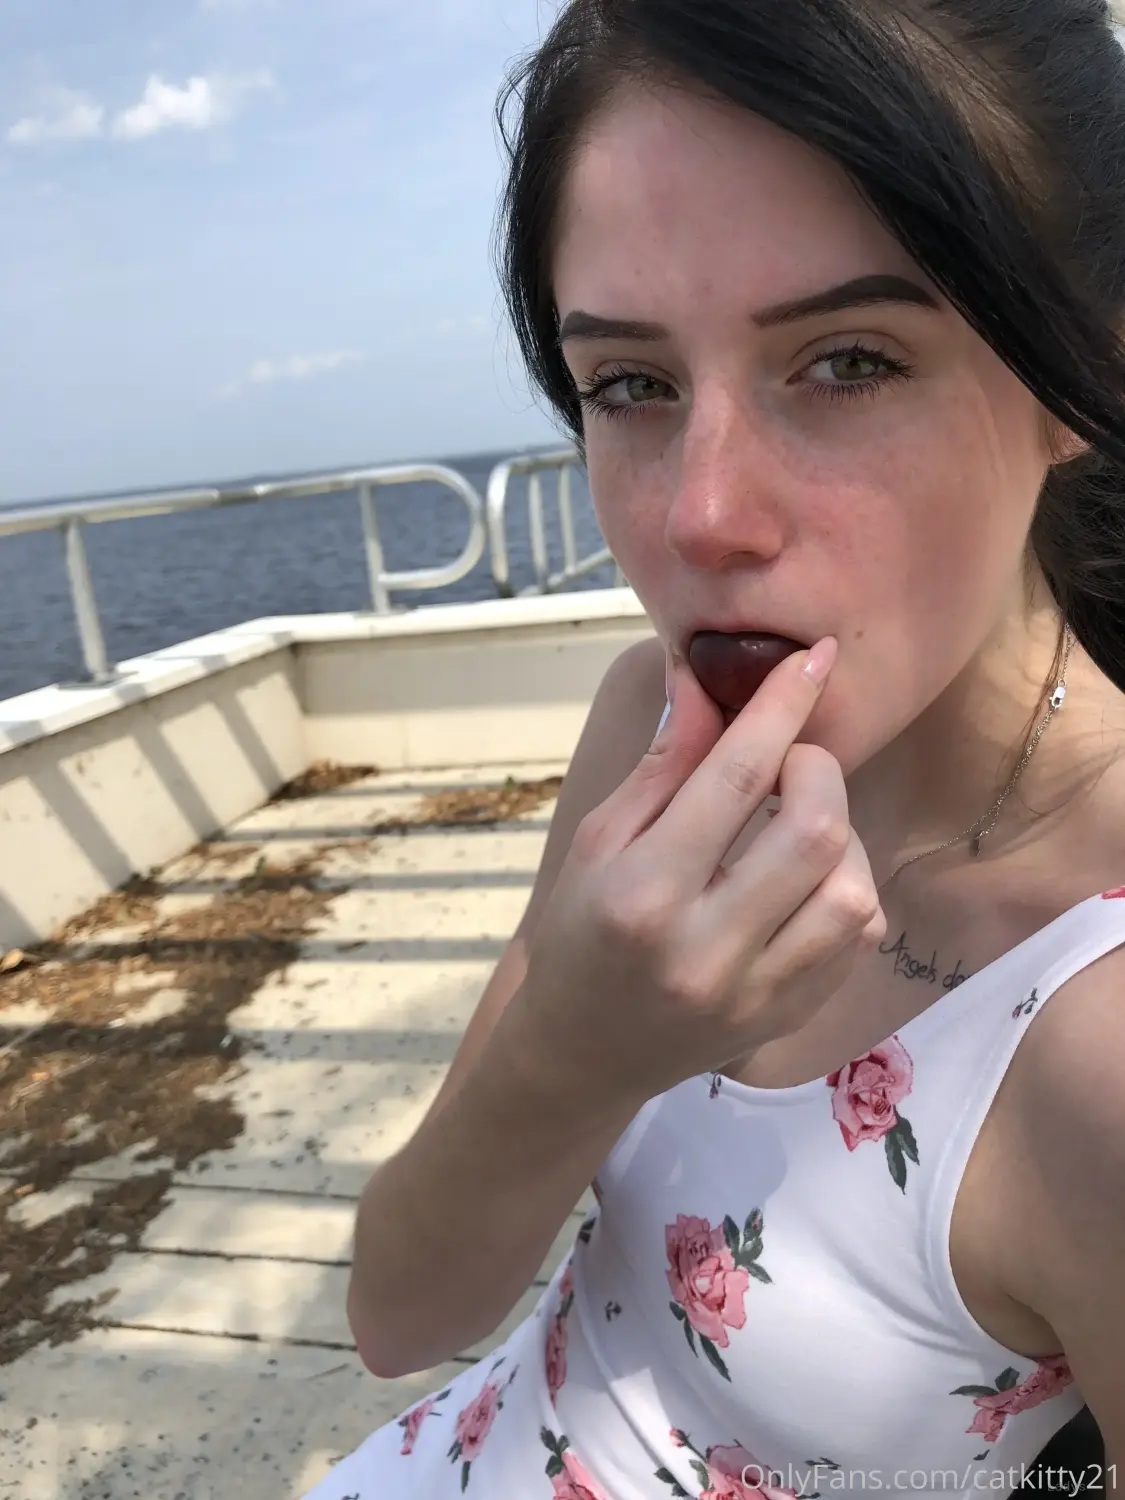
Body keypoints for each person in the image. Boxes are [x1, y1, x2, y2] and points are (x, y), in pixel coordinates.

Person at [303, 1, 1125, 1494]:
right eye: (631, 385)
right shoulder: (651, 732)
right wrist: (571, 1056)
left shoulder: (1099, 1023)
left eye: (851, 360)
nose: (700, 516)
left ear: (1085, 374)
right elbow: (401, 1317)